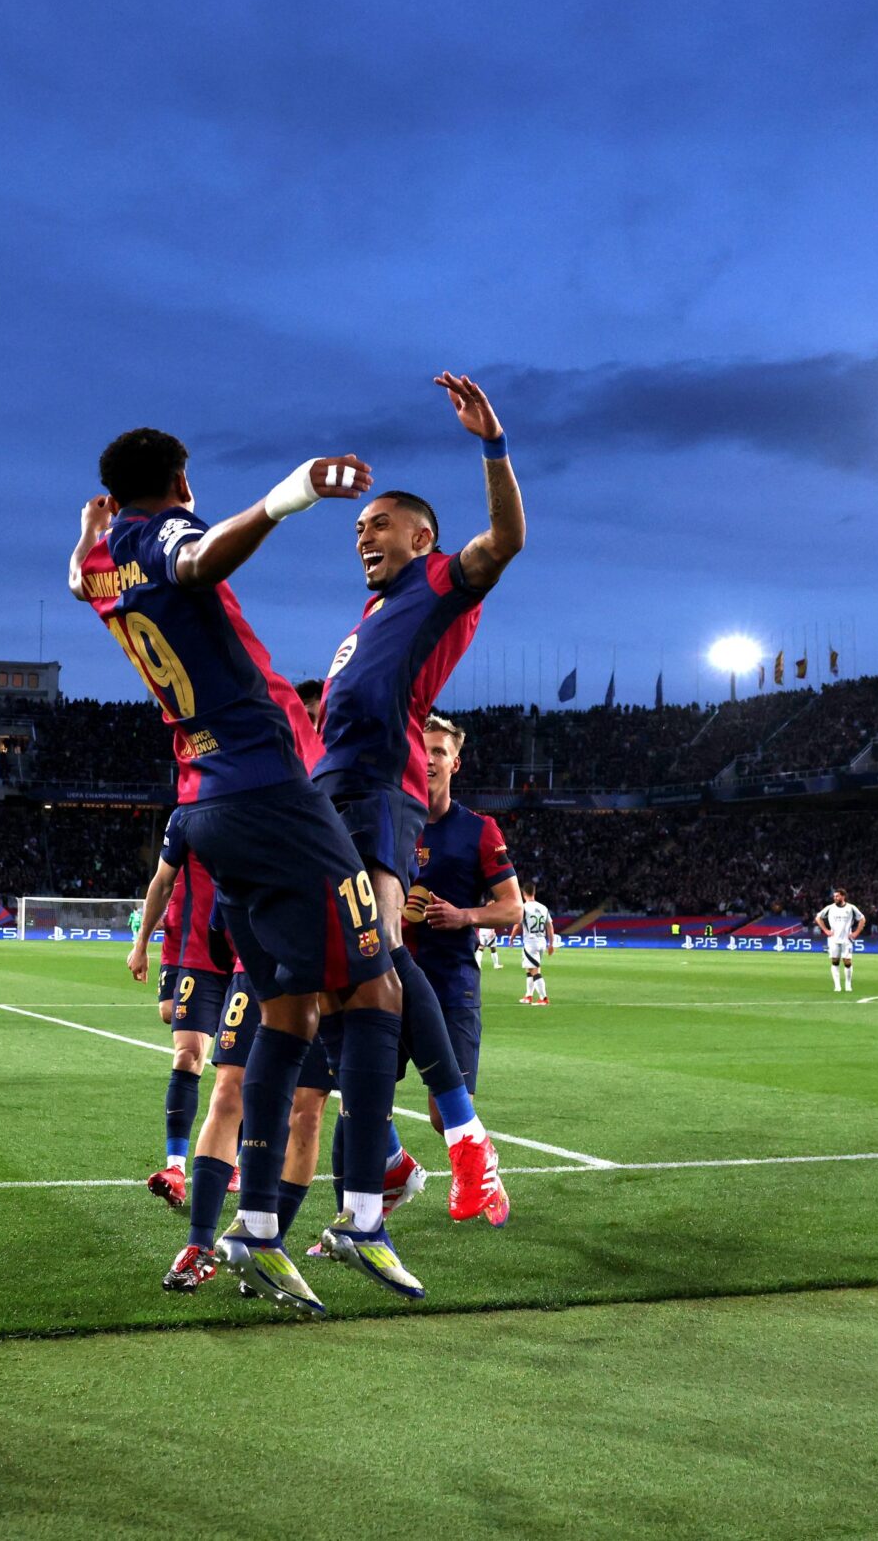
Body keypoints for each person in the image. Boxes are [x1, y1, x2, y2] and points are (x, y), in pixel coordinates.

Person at [72, 426, 411, 1313]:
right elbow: (200, 560)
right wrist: (288, 494)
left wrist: (85, 539)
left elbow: (82, 582)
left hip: (204, 803)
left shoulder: (107, 563)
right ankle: (363, 1218)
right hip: (268, 790)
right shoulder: (159, 539)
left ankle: (256, 1232)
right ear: (182, 481)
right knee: (377, 993)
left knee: (287, 1010)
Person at [310, 372, 524, 1225]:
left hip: (373, 795)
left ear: (422, 535)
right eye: (358, 527)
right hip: (329, 798)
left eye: (378, 524)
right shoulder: (369, 614)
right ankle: (390, 1167)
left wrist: (492, 444)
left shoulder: (440, 582)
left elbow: (506, 539)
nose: (362, 534)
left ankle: (466, 1141)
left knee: (382, 949)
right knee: (344, 978)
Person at [405, 715, 522, 1111]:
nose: (429, 759)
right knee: (364, 1102)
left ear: (455, 763)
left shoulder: (478, 829)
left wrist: (465, 916)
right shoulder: (392, 826)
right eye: (422, 750)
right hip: (392, 983)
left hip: (451, 984)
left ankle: (478, 1170)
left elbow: (512, 906)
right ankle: (395, 1167)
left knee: (446, 1114)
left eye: (439, 751)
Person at [128, 818, 229, 1204]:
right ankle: (175, 1167)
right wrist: (141, 945)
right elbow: (162, 880)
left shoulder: (268, 799)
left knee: (239, 1070)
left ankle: (231, 1157)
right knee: (188, 1052)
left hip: (252, 954)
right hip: (200, 953)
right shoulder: (189, 813)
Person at [815, 889, 865, 993]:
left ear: (843, 896)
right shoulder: (830, 908)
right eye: (834, 896)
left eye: (837, 896)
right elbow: (818, 918)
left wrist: (856, 933)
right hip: (833, 939)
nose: (835, 898)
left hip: (847, 939)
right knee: (835, 961)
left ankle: (848, 985)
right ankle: (837, 986)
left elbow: (862, 919)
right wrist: (825, 930)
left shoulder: (851, 908)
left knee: (847, 962)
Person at [519, 895, 558, 1003]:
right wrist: (551, 944)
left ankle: (543, 998)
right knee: (529, 968)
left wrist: (512, 937)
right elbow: (550, 926)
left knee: (534, 970)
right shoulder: (543, 907)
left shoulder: (524, 907)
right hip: (541, 941)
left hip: (531, 942)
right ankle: (528, 996)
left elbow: (517, 924)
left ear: (524, 894)